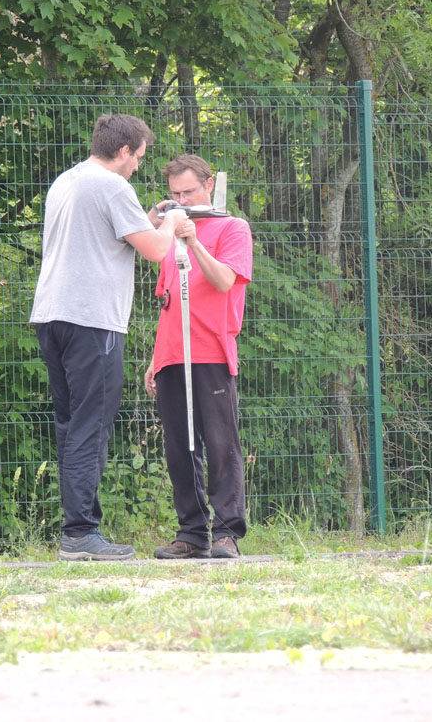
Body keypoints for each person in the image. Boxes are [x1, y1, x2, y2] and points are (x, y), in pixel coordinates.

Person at [31, 114, 194, 561]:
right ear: (123, 151)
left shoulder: (68, 181)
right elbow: (156, 249)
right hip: (93, 320)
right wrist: (172, 221)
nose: (138, 166)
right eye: (138, 157)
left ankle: (77, 530)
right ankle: (81, 533)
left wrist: (150, 217)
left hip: (52, 315)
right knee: (92, 425)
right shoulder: (112, 186)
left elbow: (108, 235)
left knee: (71, 425)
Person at [144, 154, 253, 559]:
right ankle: (191, 533)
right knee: (179, 448)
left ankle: (227, 532)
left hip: (212, 351)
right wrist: (156, 358)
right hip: (173, 353)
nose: (183, 200)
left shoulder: (233, 228)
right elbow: (168, 301)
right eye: (176, 194)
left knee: (221, 443)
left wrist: (193, 242)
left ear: (209, 185)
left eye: (189, 192)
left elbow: (225, 280)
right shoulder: (169, 233)